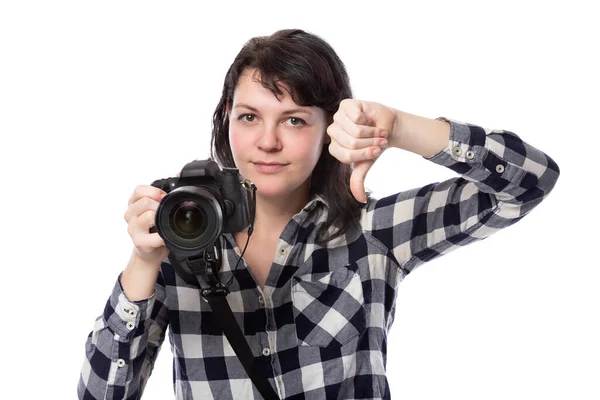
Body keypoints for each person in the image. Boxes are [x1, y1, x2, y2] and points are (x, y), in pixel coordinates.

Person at [78, 28, 560, 399]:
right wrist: (143, 263)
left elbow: (529, 181)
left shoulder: (372, 232)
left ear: (330, 125)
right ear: (227, 118)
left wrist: (399, 129)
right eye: (249, 117)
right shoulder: (182, 236)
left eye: (293, 119)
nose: (267, 141)